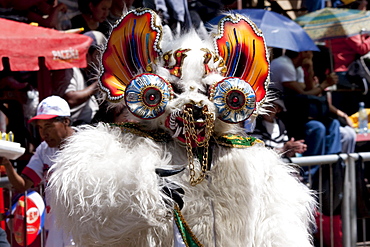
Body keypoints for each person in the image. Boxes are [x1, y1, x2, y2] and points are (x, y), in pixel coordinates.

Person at [0, 95, 75, 247]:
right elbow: (23, 185)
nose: (43, 133)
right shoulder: (44, 150)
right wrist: (7, 164)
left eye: (48, 126)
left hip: (81, 222)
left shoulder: (88, 144)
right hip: (55, 224)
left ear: (65, 121)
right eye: (40, 128)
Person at [270, 49, 341, 157]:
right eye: (310, 52)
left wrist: (310, 69)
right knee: (317, 128)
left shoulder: (297, 68)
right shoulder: (284, 65)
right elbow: (305, 94)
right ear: (303, 53)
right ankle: (312, 170)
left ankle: (330, 166)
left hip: (299, 113)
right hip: (283, 114)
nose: (312, 55)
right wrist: (325, 84)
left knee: (334, 124)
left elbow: (309, 90)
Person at [52, 31, 105, 126]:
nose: (101, 58)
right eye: (98, 54)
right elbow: (70, 99)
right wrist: (101, 82)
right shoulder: (70, 68)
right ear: (87, 53)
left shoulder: (90, 71)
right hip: (74, 125)